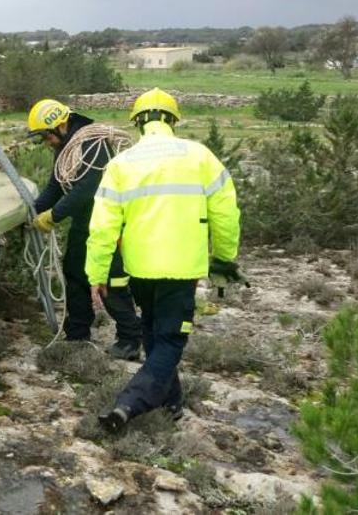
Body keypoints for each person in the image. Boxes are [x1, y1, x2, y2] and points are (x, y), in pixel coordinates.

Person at [85, 88, 241, 432]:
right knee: (169, 340)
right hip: (182, 268)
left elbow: (102, 228)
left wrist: (96, 273)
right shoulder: (200, 156)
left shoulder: (120, 164)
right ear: (173, 120)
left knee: (153, 331)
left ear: (138, 123)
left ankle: (172, 405)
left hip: (140, 268)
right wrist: (223, 261)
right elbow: (226, 215)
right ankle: (128, 405)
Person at [27, 99, 142, 359]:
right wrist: (32, 210)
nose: (46, 143)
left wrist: (53, 216)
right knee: (75, 272)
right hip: (84, 223)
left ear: (60, 125)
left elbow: (87, 189)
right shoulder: (66, 147)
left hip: (110, 224)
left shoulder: (93, 144)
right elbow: (56, 186)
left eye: (46, 136)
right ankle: (78, 333)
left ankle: (130, 339)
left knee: (110, 280)